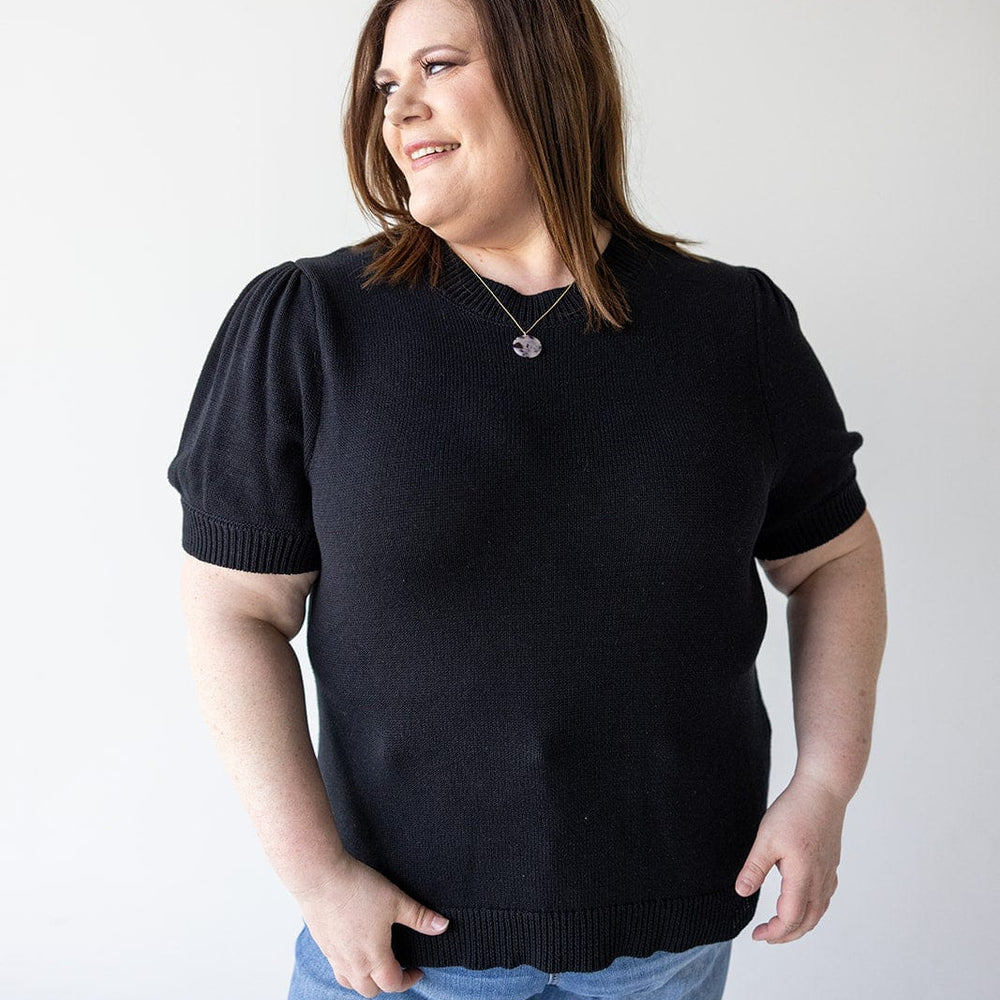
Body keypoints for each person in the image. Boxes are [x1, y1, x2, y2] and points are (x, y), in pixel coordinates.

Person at [166, 0, 888, 997]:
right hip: (399, 958)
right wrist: (318, 876)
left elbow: (832, 556)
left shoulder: (732, 326)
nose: (398, 107)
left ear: (549, 71)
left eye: (436, 64)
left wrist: (825, 785)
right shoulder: (308, 326)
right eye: (384, 83)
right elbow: (233, 610)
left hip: (668, 941)